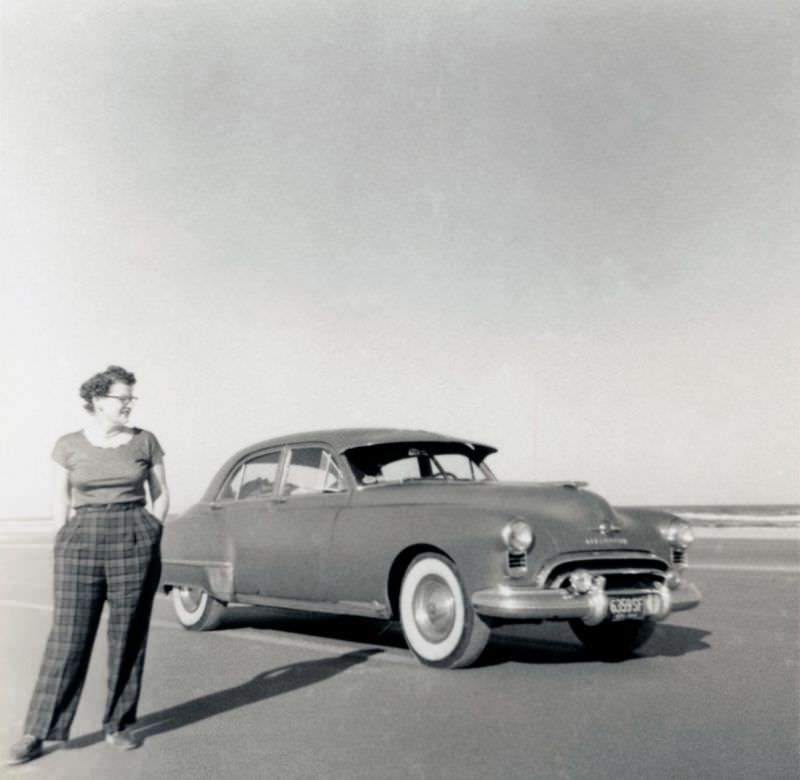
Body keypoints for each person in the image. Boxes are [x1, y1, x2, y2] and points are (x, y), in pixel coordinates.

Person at [8, 365, 169, 765]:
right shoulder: (67, 445)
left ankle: (119, 723)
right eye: (122, 398)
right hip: (81, 537)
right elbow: (59, 501)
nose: (129, 404)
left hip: (134, 534)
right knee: (67, 636)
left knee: (128, 633)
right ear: (98, 401)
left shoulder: (145, 441)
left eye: (133, 397)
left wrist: (150, 532)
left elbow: (161, 494)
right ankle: (38, 731)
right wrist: (63, 538)